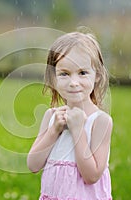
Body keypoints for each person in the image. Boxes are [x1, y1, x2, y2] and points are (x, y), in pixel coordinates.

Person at [27, 31, 113, 200]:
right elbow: (33, 164)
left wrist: (78, 130)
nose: (74, 82)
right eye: (64, 74)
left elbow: (92, 176)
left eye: (82, 73)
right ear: (53, 78)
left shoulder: (100, 121)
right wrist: (54, 131)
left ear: (97, 75)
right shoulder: (51, 116)